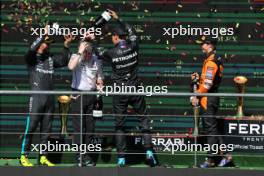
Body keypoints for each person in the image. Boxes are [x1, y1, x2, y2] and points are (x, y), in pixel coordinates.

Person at [86, 10, 157, 167]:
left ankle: (121, 158)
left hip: (120, 92)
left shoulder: (111, 52)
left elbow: (97, 51)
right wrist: (119, 18)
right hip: (135, 89)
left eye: (112, 36)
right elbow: (132, 31)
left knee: (120, 125)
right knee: (144, 119)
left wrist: (91, 40)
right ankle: (149, 152)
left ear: (116, 37)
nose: (112, 38)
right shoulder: (134, 45)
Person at [20, 25, 75, 166]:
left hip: (49, 100)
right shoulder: (31, 59)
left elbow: (64, 60)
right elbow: (31, 50)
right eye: (47, 42)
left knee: (46, 129)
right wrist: (43, 35)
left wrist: (66, 45)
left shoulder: (50, 58)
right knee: (31, 127)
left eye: (50, 43)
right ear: (40, 43)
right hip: (36, 98)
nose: (48, 45)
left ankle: (43, 157)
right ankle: (23, 157)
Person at [191, 37, 233, 168]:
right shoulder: (213, 59)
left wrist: (195, 95)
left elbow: (207, 85)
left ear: (210, 45)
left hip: (208, 99)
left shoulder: (211, 62)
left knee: (210, 130)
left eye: (202, 44)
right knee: (213, 128)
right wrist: (199, 78)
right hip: (210, 97)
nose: (201, 46)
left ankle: (210, 160)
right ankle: (226, 155)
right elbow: (207, 80)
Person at [68, 40, 104, 167]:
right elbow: (70, 67)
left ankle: (86, 155)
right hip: (78, 95)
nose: (87, 55)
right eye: (85, 53)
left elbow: (100, 76)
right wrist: (79, 52)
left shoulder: (96, 59)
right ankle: (78, 156)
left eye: (89, 53)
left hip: (92, 96)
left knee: (90, 128)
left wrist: (100, 83)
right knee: (78, 127)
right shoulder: (76, 56)